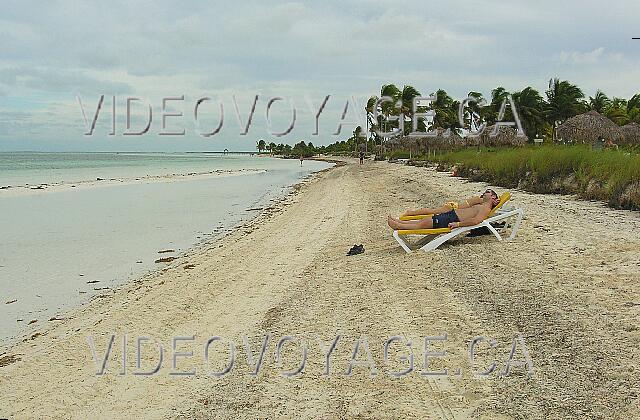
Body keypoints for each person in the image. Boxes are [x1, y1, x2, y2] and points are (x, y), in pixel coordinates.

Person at [387, 189, 501, 230]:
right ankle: (400, 222)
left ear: (492, 197)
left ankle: (399, 226)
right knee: (426, 220)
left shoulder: (485, 209)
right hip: (451, 214)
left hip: (453, 218)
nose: (484, 192)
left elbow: (476, 221)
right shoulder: (482, 203)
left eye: (487, 192)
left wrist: (458, 224)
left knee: (425, 223)